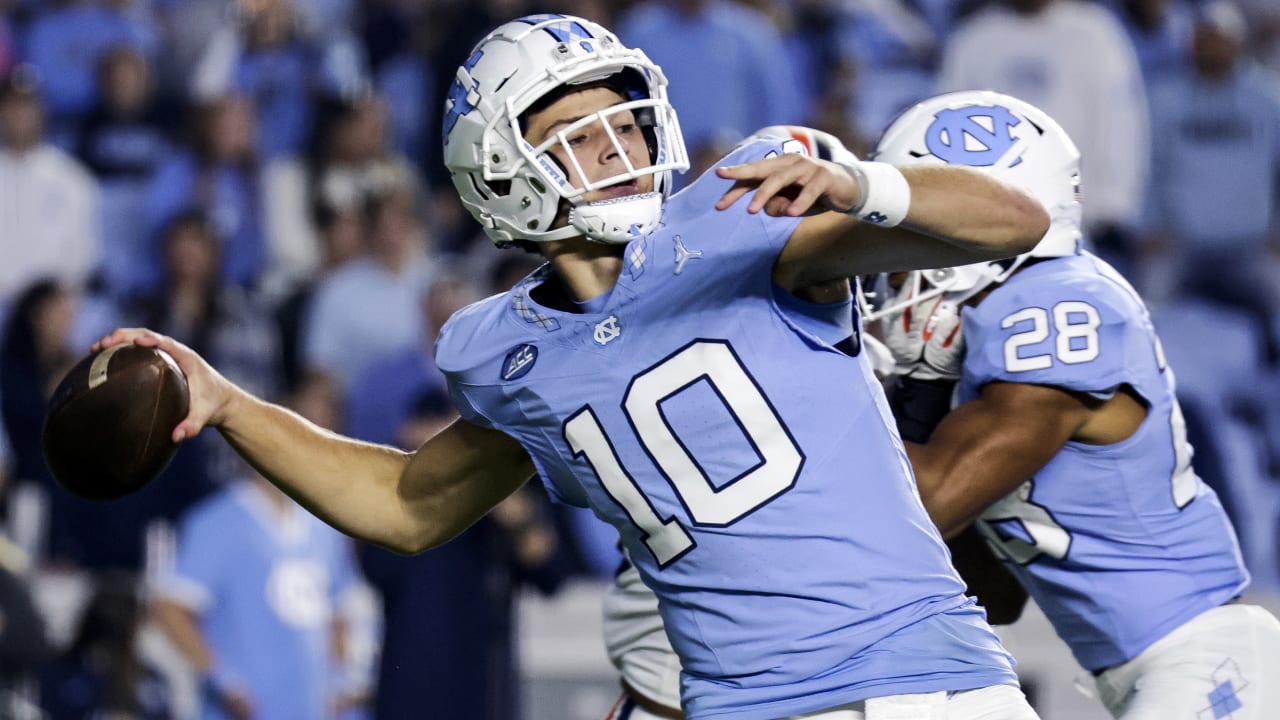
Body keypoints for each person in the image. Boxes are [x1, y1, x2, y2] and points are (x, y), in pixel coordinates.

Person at [95, 14, 1050, 719]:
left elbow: (1015, 221)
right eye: (583, 134)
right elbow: (404, 504)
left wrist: (862, 183)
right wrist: (225, 404)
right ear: (505, 170)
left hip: (922, 680)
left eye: (628, 122)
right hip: (738, 704)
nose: (625, 146)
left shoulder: (742, 218)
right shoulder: (507, 354)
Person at [864, 90, 1280, 719]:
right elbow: (995, 594)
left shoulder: (1058, 303)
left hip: (1207, 659)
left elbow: (934, 497)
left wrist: (840, 390)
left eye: (920, 236)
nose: (892, 270)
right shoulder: (986, 357)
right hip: (1154, 668)